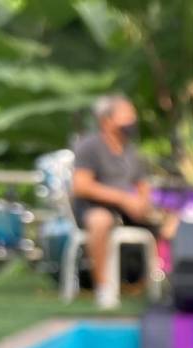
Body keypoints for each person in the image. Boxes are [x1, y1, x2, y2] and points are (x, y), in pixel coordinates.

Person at [71, 94, 153, 309]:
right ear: (106, 120)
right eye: (127, 114)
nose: (133, 120)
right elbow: (81, 186)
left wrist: (142, 204)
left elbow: (143, 186)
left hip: (126, 211)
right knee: (100, 220)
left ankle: (159, 286)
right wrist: (123, 198)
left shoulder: (132, 151)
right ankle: (104, 288)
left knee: (173, 223)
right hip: (92, 207)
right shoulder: (90, 146)